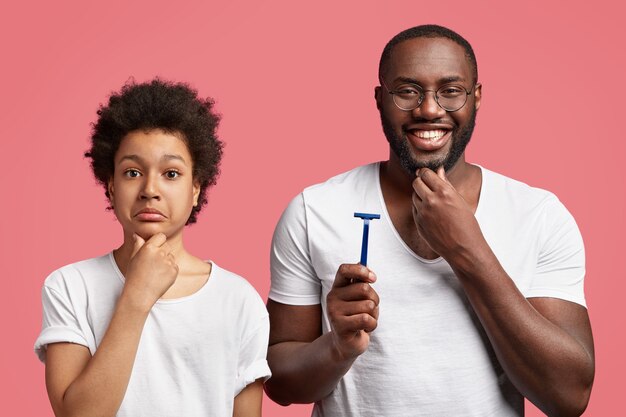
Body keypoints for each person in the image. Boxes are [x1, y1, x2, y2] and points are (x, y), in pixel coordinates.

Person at [265, 25, 594, 416]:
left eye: (450, 91)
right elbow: (279, 383)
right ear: (379, 99)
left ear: (477, 98)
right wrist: (335, 347)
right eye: (407, 91)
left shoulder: (539, 215)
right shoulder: (314, 210)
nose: (429, 109)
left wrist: (468, 251)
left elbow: (569, 396)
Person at [34, 79, 271, 417]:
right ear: (111, 186)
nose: (150, 189)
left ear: (196, 189)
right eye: (132, 172)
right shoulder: (69, 287)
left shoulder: (237, 299)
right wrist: (136, 296)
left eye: (171, 173)